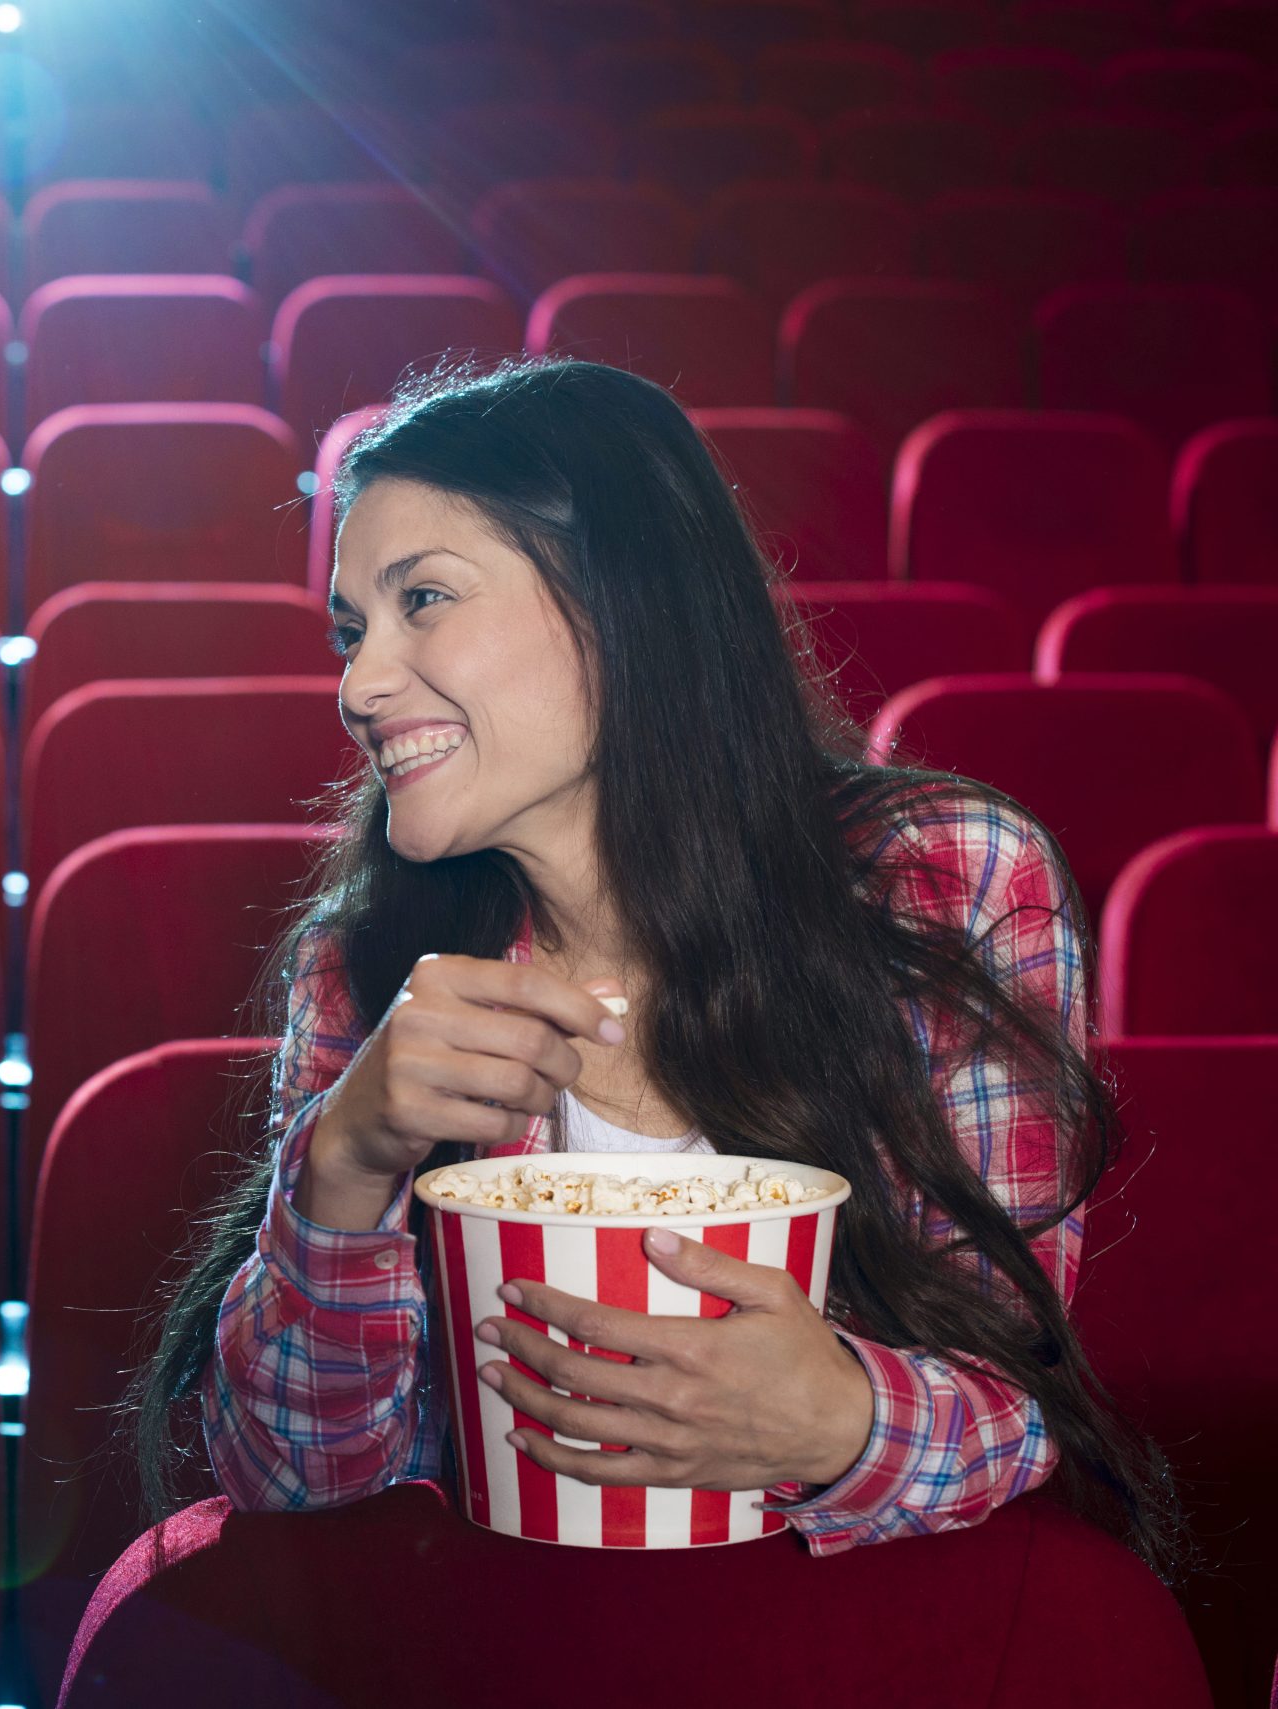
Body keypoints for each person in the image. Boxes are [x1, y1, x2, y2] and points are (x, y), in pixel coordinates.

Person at [133, 359, 1184, 1581]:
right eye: (351, 628)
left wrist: (838, 1417)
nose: (357, 684)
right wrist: (346, 1161)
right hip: (495, 1639)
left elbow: (1018, 1397)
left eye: (423, 598)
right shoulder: (362, 968)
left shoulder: (947, 878)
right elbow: (290, 1485)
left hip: (840, 1637)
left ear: (627, 604)